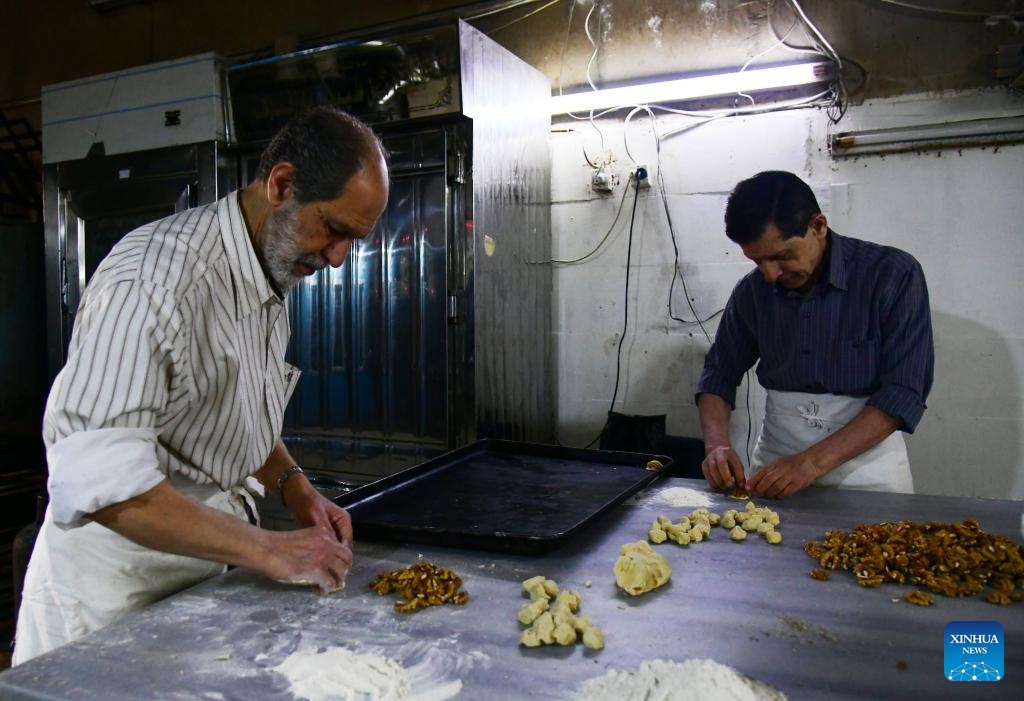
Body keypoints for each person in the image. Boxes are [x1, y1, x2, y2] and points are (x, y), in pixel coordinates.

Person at [13, 106, 390, 664]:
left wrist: (295, 488)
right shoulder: (152, 281)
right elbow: (102, 485)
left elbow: (232, 414)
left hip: (194, 583)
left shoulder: (267, 274)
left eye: (352, 241)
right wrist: (269, 549)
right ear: (281, 184)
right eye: (333, 230)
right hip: (112, 595)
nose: (337, 259)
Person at [696, 170, 933, 499]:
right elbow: (718, 375)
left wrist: (808, 464)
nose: (769, 275)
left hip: (867, 472)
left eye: (781, 256)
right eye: (756, 260)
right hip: (775, 466)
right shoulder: (752, 291)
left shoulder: (893, 275)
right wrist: (717, 445)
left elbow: (903, 394)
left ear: (818, 226)